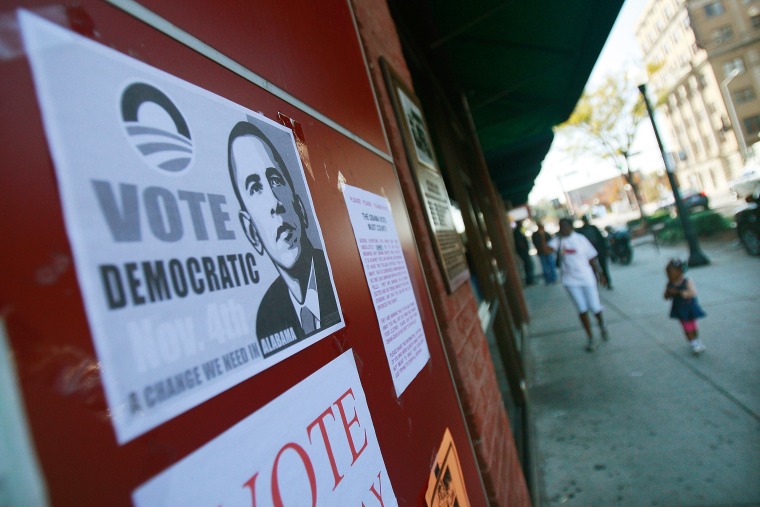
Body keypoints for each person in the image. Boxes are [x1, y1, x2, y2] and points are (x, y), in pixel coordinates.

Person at [227, 120, 340, 357]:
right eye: (255, 187)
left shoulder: (338, 278)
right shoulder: (267, 321)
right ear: (251, 231)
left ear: (299, 206)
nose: (274, 203)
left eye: (275, 180)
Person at [548, 217, 609, 351]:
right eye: (560, 226)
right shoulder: (558, 241)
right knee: (581, 308)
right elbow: (547, 250)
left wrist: (600, 273)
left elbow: (591, 257)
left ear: (571, 227)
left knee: (594, 306)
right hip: (570, 280)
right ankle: (591, 338)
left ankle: (602, 324)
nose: (562, 228)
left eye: (564, 226)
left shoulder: (580, 239)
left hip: (586, 277)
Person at [664, 258, 706, 355]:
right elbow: (665, 296)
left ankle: (697, 339)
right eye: (667, 274)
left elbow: (693, 292)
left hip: (690, 307)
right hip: (680, 309)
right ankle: (693, 343)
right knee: (687, 326)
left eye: (671, 273)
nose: (669, 276)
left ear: (680, 272)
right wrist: (668, 293)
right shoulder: (669, 284)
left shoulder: (687, 281)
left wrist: (679, 292)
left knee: (693, 325)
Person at [577, 215, 612, 289]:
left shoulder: (593, 228)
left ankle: (608, 282)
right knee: (592, 268)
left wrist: (606, 249)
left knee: (604, 267)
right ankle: (596, 282)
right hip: (588, 252)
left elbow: (601, 238)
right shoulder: (581, 231)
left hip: (599, 250)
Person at [513, 221, 535, 286]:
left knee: (528, 265)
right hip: (523, 252)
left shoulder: (519, 231)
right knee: (528, 265)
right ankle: (530, 280)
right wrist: (524, 249)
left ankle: (530, 280)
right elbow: (520, 243)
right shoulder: (517, 232)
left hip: (524, 251)